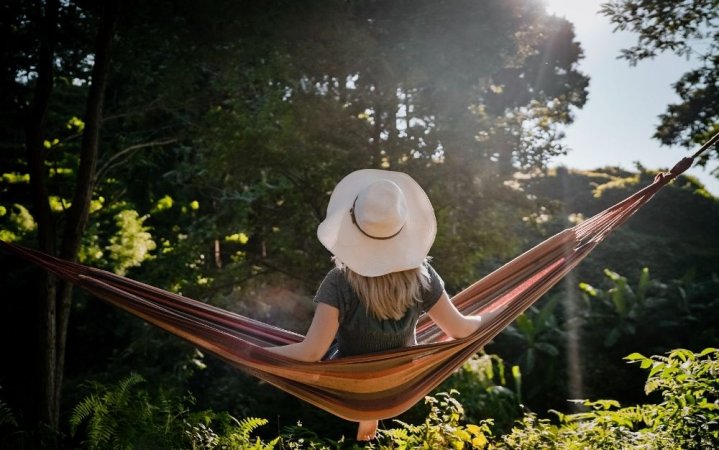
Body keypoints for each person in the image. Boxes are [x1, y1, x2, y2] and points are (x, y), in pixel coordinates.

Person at [268, 169, 487, 441]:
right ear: (403, 226)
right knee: (378, 371)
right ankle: (367, 433)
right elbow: (460, 329)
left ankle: (365, 426)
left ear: (352, 223)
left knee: (347, 361)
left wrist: (261, 355)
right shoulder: (423, 277)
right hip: (401, 381)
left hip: (351, 383)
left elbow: (312, 352)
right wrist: (491, 316)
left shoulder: (339, 282)